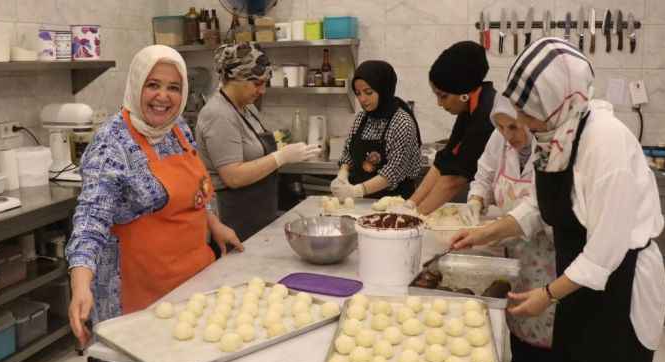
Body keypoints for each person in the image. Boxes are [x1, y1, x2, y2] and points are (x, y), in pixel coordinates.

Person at [452, 38, 665, 362]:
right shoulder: (561, 134)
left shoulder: (606, 142)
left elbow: (606, 251)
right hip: (579, 285)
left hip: (622, 289)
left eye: (528, 112)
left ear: (557, 98)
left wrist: (547, 295)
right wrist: (484, 232)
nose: (525, 124)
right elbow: (539, 206)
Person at [66, 45, 243, 362]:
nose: (163, 96)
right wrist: (81, 283)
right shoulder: (112, 144)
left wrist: (215, 224)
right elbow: (91, 221)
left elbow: (195, 192)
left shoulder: (179, 130)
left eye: (173, 87)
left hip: (191, 278)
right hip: (139, 289)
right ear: (135, 86)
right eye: (153, 85)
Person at [467, 96, 556, 362]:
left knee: (546, 345)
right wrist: (475, 200)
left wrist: (484, 233)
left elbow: (536, 210)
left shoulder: (550, 147)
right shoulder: (499, 138)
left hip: (547, 260)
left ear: (530, 120)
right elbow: (484, 175)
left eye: (515, 127)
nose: (509, 135)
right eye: (502, 127)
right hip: (513, 257)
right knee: (519, 336)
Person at [196, 42, 320, 241]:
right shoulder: (218, 114)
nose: (262, 91)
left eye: (265, 83)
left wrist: (286, 150)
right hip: (233, 215)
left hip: (257, 211)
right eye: (257, 83)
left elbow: (254, 150)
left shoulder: (246, 107)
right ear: (235, 78)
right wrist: (280, 157)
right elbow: (233, 176)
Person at [406, 41, 497, 215]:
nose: (439, 104)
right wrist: (411, 203)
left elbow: (454, 180)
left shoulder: (486, 115)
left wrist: (415, 218)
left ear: (464, 94)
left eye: (443, 96)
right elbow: (445, 161)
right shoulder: (469, 107)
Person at [329, 60, 422, 200]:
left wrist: (356, 191)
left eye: (368, 92)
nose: (362, 99)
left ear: (384, 89)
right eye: (358, 93)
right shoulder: (362, 118)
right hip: (361, 201)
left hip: (394, 202)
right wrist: (342, 176)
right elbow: (348, 152)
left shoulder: (402, 122)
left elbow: (393, 172)